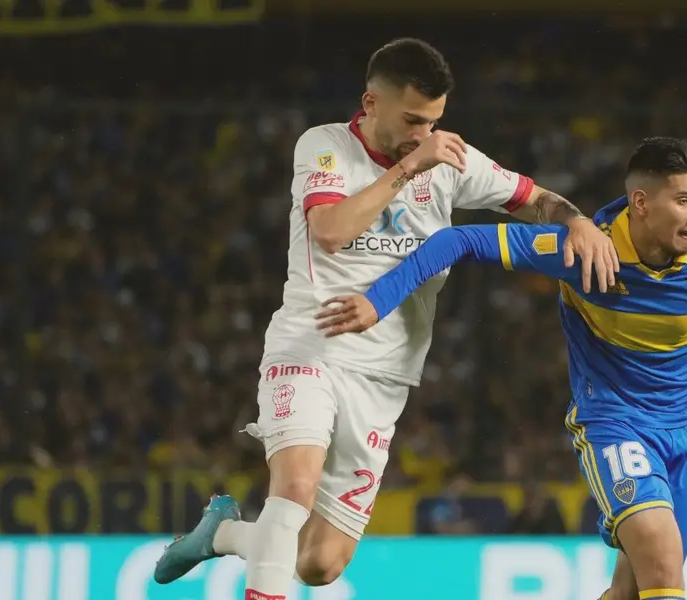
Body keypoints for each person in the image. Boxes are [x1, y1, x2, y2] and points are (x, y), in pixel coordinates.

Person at [317, 137, 687, 600]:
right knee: (665, 563)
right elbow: (460, 239)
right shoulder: (585, 251)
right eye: (684, 200)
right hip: (615, 423)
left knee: (632, 588)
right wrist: (378, 299)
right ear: (642, 203)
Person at [153, 38, 618, 598]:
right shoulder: (324, 146)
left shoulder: (451, 160)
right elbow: (330, 231)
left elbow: (535, 197)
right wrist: (412, 167)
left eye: (434, 122)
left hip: (384, 376)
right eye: (412, 120)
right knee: (293, 487)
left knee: (319, 564)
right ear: (370, 104)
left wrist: (578, 221)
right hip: (311, 346)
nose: (423, 134)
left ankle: (220, 534)